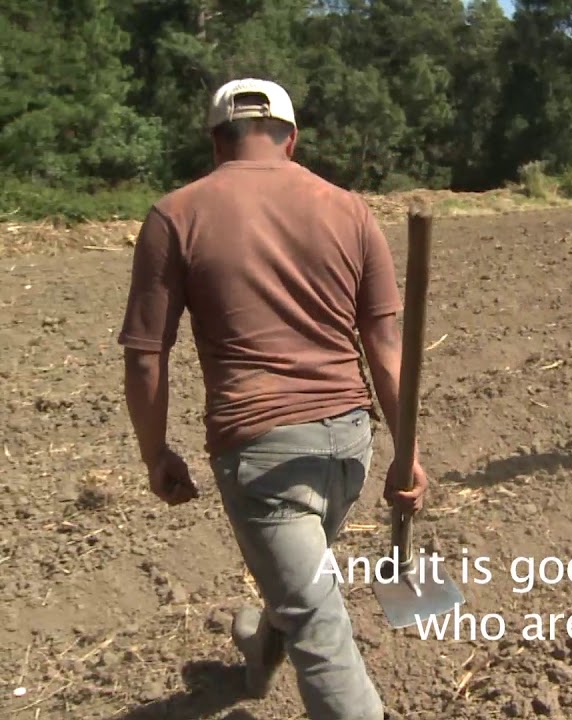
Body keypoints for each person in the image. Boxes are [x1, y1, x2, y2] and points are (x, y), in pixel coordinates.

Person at [117, 78, 426, 720]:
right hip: (349, 446)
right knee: (300, 585)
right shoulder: (349, 209)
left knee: (320, 625)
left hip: (261, 455)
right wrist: (408, 451)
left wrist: (156, 454)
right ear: (293, 138)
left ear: (214, 140)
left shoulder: (176, 214)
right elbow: (387, 348)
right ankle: (260, 646)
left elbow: (146, 355)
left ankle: (282, 641)